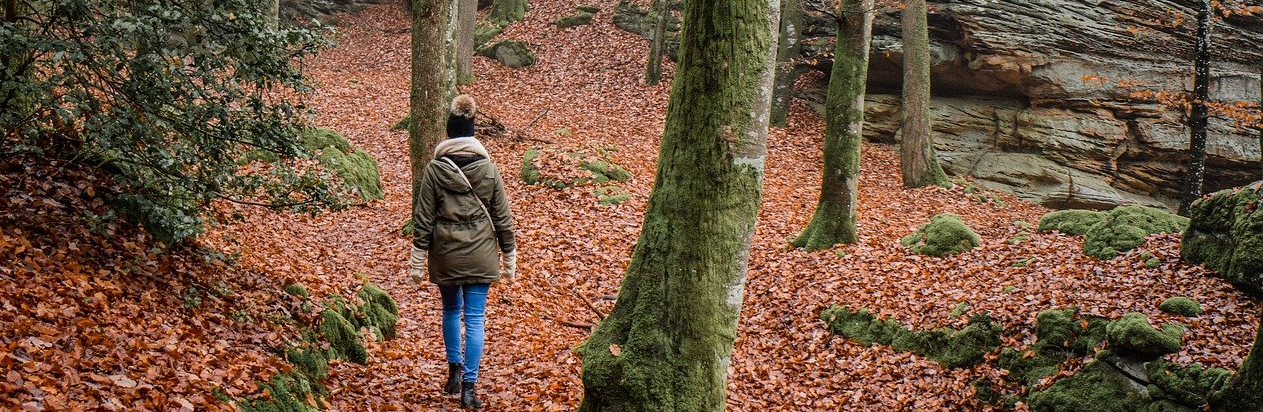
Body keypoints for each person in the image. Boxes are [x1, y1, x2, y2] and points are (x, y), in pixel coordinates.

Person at [408, 94, 516, 410]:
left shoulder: (433, 170)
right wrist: (508, 257)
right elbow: (503, 218)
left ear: (450, 132)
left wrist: (417, 261)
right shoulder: (489, 170)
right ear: (472, 133)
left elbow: (423, 219)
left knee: (451, 310)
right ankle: (470, 389)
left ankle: (453, 372)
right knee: (476, 318)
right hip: (482, 255)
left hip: (446, 254)